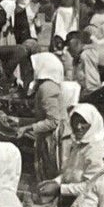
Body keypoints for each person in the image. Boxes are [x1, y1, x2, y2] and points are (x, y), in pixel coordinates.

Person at [22, 50, 71, 183]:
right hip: (52, 137)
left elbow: (53, 121)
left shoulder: (47, 88)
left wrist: (27, 128)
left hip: (55, 140)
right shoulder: (46, 86)